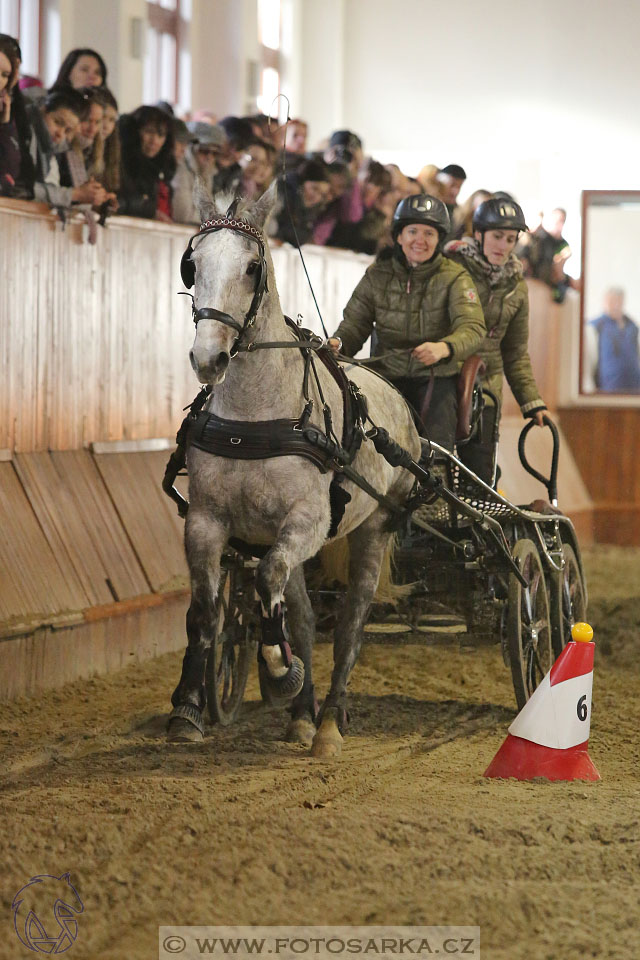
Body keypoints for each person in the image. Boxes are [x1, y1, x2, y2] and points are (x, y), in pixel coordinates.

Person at [329, 194, 486, 452]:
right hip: (384, 376)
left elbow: (473, 328)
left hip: (435, 378)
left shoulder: (455, 276)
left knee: (434, 451)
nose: (420, 241)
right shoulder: (377, 274)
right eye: (412, 231)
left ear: (439, 239)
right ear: (399, 236)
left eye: (429, 234)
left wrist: (444, 348)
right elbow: (355, 325)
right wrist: (339, 343)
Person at [445, 198, 547, 482]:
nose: (503, 246)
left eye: (510, 239)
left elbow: (515, 351)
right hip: (443, 383)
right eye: (497, 237)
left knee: (480, 478)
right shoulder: (451, 270)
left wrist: (531, 401)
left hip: (486, 392)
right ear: (479, 235)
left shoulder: (516, 287)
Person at [23, 87, 106, 207]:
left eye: (68, 130)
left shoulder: (52, 148)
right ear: (43, 109)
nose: (60, 134)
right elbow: (19, 188)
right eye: (58, 122)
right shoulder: (23, 132)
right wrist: (74, 194)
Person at [118, 105, 176, 220]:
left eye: (161, 135)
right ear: (134, 132)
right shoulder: (119, 162)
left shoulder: (162, 170)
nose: (154, 141)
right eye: (149, 132)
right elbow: (117, 202)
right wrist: (149, 211)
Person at [516, 207, 578, 303]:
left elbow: (558, 270)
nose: (558, 225)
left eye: (561, 221)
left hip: (552, 283)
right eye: (556, 221)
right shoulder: (540, 238)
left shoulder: (564, 245)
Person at [585, 288, 640, 393]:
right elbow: (589, 359)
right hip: (608, 388)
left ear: (622, 301)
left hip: (635, 387)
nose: (614, 305)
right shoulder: (595, 326)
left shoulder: (632, 326)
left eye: (616, 301)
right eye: (610, 301)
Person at [171, 121, 227, 225]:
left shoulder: (208, 173)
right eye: (204, 151)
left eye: (215, 153)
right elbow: (183, 215)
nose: (209, 157)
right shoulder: (181, 170)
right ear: (191, 149)